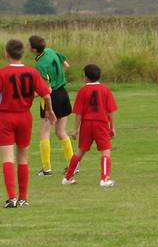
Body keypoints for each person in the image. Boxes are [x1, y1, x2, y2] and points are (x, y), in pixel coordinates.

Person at [0, 38, 54, 207]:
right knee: (23, 156)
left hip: (5, 117)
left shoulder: (2, 73)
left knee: (7, 157)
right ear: (22, 53)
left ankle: (12, 198)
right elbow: (46, 94)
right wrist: (49, 110)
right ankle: (23, 198)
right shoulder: (32, 72)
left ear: (6, 54)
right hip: (25, 117)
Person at [61, 64, 118, 188]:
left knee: (80, 151)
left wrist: (75, 129)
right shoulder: (105, 90)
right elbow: (111, 111)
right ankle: (105, 179)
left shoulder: (82, 91)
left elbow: (79, 113)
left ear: (86, 77)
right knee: (105, 151)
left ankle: (68, 178)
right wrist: (113, 127)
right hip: (101, 124)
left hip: (86, 124)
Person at [29, 34, 74, 177]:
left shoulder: (40, 65)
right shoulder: (51, 51)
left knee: (44, 133)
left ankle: (46, 168)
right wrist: (58, 77)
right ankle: (73, 165)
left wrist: (27, 96)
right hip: (63, 94)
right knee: (61, 132)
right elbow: (66, 65)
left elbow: (45, 89)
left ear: (34, 49)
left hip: (51, 97)